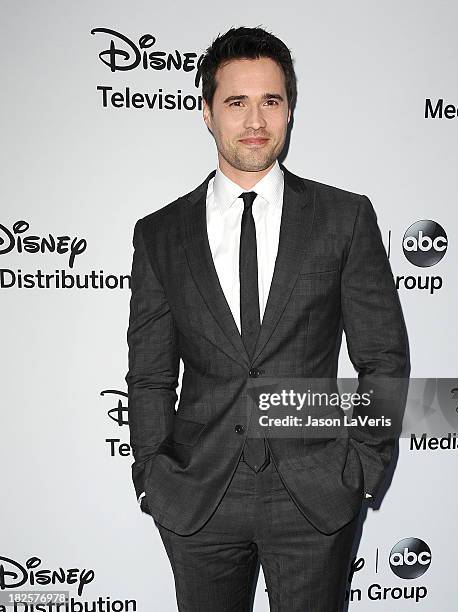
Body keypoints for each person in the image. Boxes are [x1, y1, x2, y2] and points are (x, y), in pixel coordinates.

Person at [125, 25, 410, 612]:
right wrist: (153, 473)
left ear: (289, 112)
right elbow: (150, 374)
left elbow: (382, 356)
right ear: (207, 113)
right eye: (236, 102)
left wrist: (362, 466)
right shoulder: (160, 234)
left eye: (270, 102)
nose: (254, 121)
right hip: (199, 492)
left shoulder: (344, 218)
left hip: (315, 491)